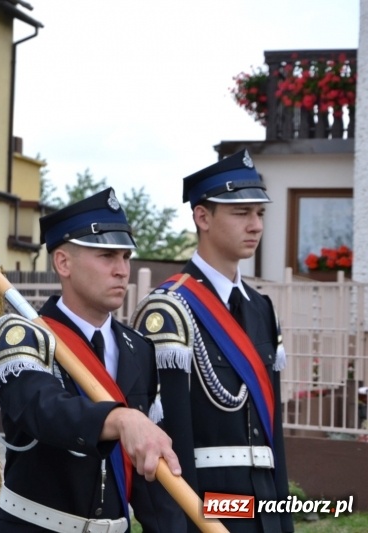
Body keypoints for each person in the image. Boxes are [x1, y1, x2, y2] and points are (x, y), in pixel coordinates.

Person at [0, 187, 183, 533]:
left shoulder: (139, 350)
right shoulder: (25, 335)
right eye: (107, 256)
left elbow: (150, 478)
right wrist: (120, 419)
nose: (122, 270)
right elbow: (44, 410)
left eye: (126, 257)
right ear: (63, 263)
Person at [131, 149, 293, 532]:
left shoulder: (261, 309)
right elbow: (171, 440)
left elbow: (274, 439)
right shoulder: (168, 310)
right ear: (202, 216)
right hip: (209, 511)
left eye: (260, 214)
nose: (255, 225)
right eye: (241, 213)